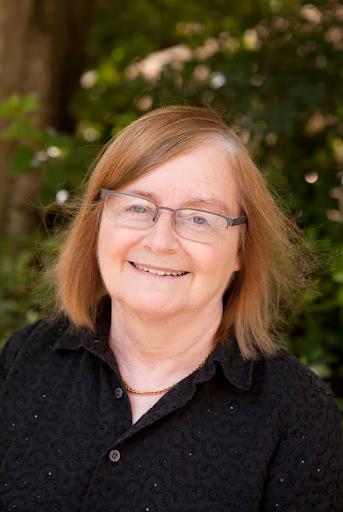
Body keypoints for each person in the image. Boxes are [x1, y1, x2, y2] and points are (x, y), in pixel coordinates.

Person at [0, 105, 342, 512]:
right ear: (98, 225)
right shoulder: (26, 357)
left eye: (199, 218)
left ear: (241, 251)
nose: (161, 242)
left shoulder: (298, 417)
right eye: (137, 207)